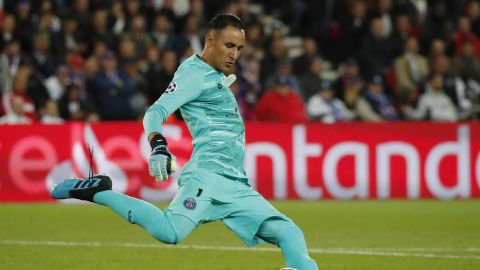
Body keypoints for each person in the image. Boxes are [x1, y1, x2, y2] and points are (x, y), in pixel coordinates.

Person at [51, 14, 318, 270]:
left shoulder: (213, 76)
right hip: (208, 175)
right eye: (229, 45)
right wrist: (158, 145)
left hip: (235, 182)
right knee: (171, 232)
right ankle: (98, 191)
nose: (234, 54)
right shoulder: (192, 74)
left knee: (288, 232)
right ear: (210, 40)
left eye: (239, 48)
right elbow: (155, 112)